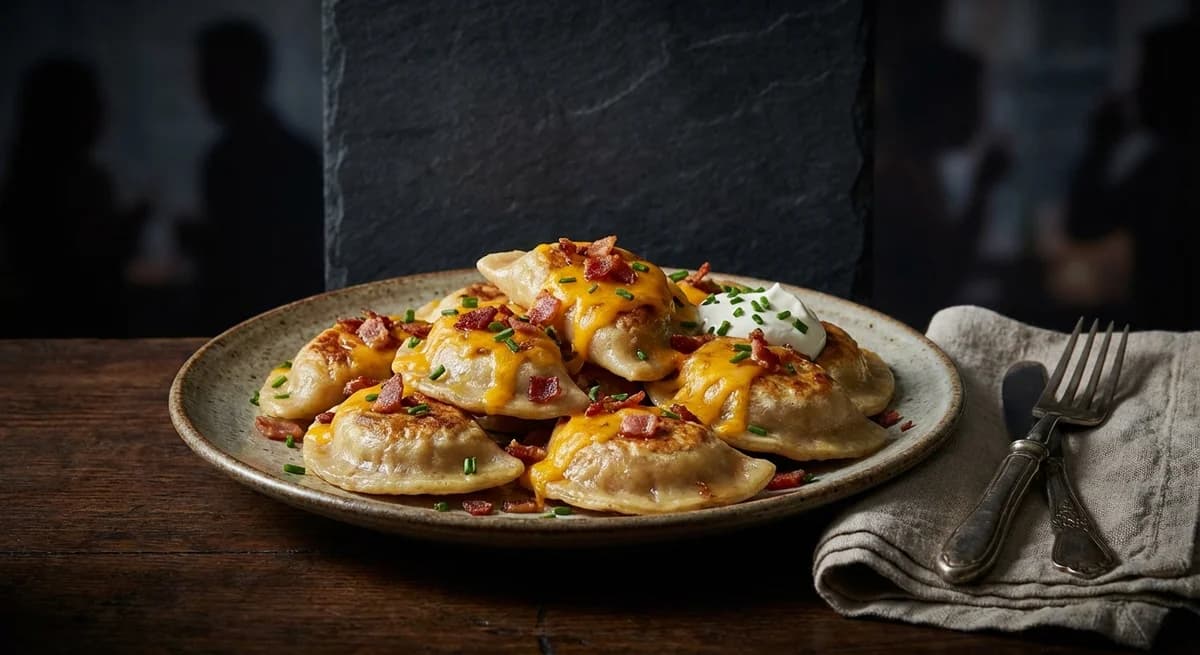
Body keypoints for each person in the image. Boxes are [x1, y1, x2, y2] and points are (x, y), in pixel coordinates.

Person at [180, 19, 324, 334]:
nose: (202, 86)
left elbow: (254, 253)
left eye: (212, 73)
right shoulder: (297, 150)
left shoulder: (232, 157)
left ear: (246, 76)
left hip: (258, 317)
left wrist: (201, 242)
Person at [1058, 16, 1195, 330]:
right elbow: (1085, 224)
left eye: (1149, 77)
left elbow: (1085, 223)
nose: (1136, 93)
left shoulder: (1169, 167)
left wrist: (1100, 145)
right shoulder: (1161, 163)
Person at [0, 57, 149, 337]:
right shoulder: (79, 180)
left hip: (41, 324)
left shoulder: (24, 178)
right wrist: (132, 226)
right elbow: (90, 259)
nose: (102, 112)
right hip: (83, 320)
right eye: (92, 103)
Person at [873, 39, 1012, 330]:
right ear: (936, 106)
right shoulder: (897, 181)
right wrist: (982, 190)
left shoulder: (919, 172)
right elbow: (941, 276)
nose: (978, 114)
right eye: (970, 100)